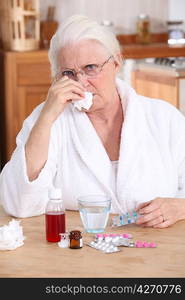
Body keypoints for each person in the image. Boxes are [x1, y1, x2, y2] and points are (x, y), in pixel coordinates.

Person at [0, 15, 185, 229]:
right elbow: (18, 203)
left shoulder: (164, 117)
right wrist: (47, 118)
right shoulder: (48, 119)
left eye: (90, 68)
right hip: (79, 251)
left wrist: (180, 207)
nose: (82, 83)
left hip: (158, 252)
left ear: (116, 62)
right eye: (68, 73)